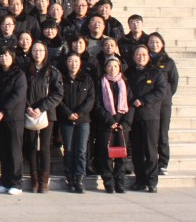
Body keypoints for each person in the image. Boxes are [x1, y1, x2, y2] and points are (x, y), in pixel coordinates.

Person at [24, 41, 64, 193]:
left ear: (46, 52)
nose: (37, 53)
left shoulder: (52, 71)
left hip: (47, 113)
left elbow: (58, 93)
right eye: (35, 50)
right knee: (32, 147)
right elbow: (21, 91)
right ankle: (34, 180)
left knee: (45, 147)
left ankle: (44, 181)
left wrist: (41, 108)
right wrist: (28, 107)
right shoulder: (25, 70)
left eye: (41, 50)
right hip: (28, 113)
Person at [127, 45, 168, 193]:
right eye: (138, 54)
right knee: (137, 151)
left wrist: (144, 100)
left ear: (148, 56)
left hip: (150, 116)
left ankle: (152, 181)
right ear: (133, 57)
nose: (141, 57)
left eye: (144, 54)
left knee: (150, 150)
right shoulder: (128, 72)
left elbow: (161, 91)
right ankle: (140, 180)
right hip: (133, 116)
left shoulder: (156, 73)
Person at [94, 55, 133, 194]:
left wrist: (125, 122)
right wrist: (110, 121)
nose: (113, 69)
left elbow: (131, 104)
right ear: (105, 68)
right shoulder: (100, 83)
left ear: (119, 68)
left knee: (121, 155)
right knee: (106, 155)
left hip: (122, 125)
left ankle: (120, 183)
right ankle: (109, 183)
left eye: (115, 66)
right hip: (106, 125)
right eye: (110, 66)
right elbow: (97, 104)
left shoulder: (125, 83)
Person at [57, 52, 95, 193]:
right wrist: (68, 113)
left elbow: (90, 99)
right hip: (66, 120)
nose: (73, 64)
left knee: (81, 150)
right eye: (70, 61)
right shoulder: (61, 78)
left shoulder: (86, 78)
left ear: (80, 63)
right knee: (68, 150)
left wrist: (79, 113)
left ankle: (79, 179)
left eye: (76, 61)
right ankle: (70, 179)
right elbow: (58, 98)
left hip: (83, 120)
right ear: (66, 62)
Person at [0, 48, 27, 195]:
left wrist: (3, 110)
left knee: (14, 151)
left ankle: (16, 183)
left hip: (14, 118)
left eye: (6, 55)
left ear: (12, 57)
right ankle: (5, 181)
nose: (3, 58)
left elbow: (18, 95)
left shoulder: (19, 74)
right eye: (1, 55)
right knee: (3, 151)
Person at [146, 32, 179, 176]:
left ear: (162, 44)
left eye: (157, 42)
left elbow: (174, 81)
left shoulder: (168, 62)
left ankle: (163, 162)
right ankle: (151, 161)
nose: (154, 45)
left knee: (162, 133)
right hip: (149, 102)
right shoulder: (144, 59)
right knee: (150, 134)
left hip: (163, 102)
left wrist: (166, 95)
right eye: (151, 42)